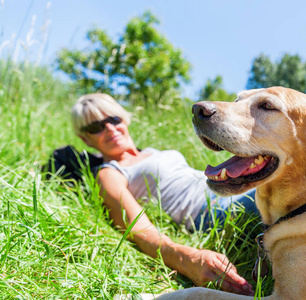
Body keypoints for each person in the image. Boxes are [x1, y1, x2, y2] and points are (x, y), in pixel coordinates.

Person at [71, 93, 257, 295]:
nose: (109, 128)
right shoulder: (110, 173)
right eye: (95, 127)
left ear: (123, 118)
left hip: (231, 189)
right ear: (85, 138)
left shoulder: (151, 151)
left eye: (113, 119)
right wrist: (187, 258)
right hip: (212, 210)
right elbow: (139, 230)